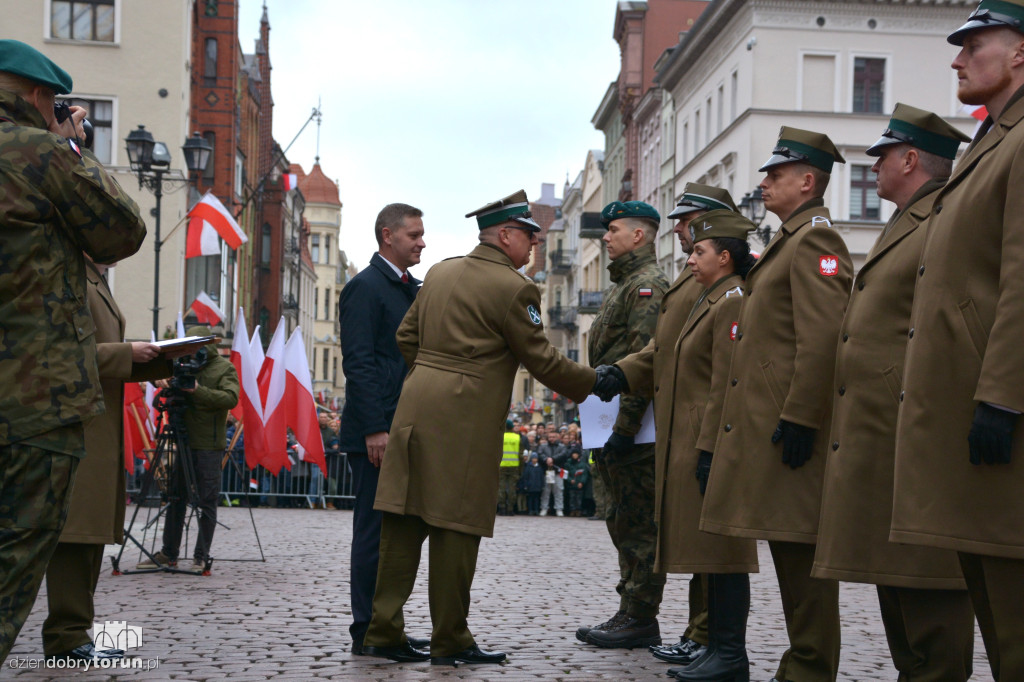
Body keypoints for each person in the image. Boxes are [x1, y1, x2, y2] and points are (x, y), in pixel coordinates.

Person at [361, 189, 603, 666]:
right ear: (506, 235)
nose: (534, 244)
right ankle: (450, 638)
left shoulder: (440, 271)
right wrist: (596, 384)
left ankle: (382, 631)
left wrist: (435, 372)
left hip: (414, 407)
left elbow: (406, 337)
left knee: (402, 523)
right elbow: (542, 360)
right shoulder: (515, 287)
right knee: (456, 526)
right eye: (529, 235)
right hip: (464, 419)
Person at [812, 104, 975, 680]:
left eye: (881, 156)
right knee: (898, 585)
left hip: (919, 432)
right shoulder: (909, 219)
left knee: (928, 588)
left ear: (910, 159)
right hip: (886, 432)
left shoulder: (940, 219)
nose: (872, 166)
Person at [0, 39, 147, 662]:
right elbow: (122, 230)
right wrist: (67, 144)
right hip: (31, 394)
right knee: (18, 545)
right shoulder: (35, 150)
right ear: (39, 98)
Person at [892, 5, 1024, 679]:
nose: (957, 59)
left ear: (1020, 55)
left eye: (974, 45)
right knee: (997, 620)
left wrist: (1002, 397)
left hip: (999, 408)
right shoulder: (992, 142)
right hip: (963, 405)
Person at [699, 127, 853, 682]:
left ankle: (810, 668)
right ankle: (803, 663)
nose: (764, 182)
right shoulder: (788, 241)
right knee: (788, 552)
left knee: (799, 557)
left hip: (791, 428)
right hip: (772, 423)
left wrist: (800, 416)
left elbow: (823, 335)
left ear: (807, 180)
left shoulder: (816, 241)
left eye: (776, 174)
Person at [612, 209, 760, 681]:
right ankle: (715, 646)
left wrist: (712, 443)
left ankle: (729, 653)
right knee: (707, 551)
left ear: (725, 255)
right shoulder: (708, 297)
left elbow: (727, 381)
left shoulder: (732, 299)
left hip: (708, 437)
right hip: (691, 436)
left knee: (723, 553)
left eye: (699, 251)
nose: (690, 258)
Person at [42, 257, 171, 663]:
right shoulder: (63, 268)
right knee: (75, 537)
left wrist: (158, 359)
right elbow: (57, 351)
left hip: (97, 427)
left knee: (89, 535)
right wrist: (128, 352)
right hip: (76, 427)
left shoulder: (93, 276)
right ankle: (66, 637)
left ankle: (74, 633)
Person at [336, 203, 428, 655]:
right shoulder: (365, 287)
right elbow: (359, 361)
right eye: (414, 235)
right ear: (387, 235)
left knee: (398, 534)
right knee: (374, 535)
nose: (422, 242)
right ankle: (369, 632)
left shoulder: (411, 287)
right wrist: (374, 427)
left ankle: (388, 625)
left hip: (404, 427)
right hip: (378, 432)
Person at [580, 200, 670, 650]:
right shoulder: (625, 284)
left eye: (614, 230)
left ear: (639, 235)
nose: (606, 237)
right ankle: (629, 610)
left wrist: (625, 430)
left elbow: (642, 364)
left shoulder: (648, 285)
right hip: (611, 423)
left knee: (638, 524)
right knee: (621, 519)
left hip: (634, 430)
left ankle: (639, 615)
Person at [136, 326, 239, 574]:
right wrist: (158, 379)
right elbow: (152, 375)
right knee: (175, 497)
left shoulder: (223, 368)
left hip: (208, 444)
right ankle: (169, 553)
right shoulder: (179, 364)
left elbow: (230, 399)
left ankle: (200, 556)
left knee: (206, 501)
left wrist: (196, 390)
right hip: (181, 439)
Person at [498, 420, 520, 516]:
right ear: (512, 427)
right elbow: (521, 454)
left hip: (502, 465)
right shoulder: (517, 437)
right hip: (514, 465)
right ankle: (510, 509)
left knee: (501, 488)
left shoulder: (500, 436)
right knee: (512, 488)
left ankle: (502, 508)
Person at [564, 449, 589, 516]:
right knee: (572, 498)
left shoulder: (582, 464)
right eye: (573, 454)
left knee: (579, 498)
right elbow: (566, 474)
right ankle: (572, 510)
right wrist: (570, 480)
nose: (575, 455)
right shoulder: (568, 463)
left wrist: (581, 482)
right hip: (571, 485)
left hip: (579, 485)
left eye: (576, 454)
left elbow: (584, 474)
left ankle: (578, 510)